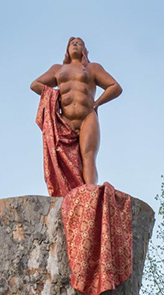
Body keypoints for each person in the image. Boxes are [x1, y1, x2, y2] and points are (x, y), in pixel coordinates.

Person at [31, 37, 122, 191]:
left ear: (84, 51)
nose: (75, 44)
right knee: (60, 159)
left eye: (79, 43)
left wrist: (97, 103)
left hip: (87, 116)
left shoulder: (92, 68)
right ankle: (68, 193)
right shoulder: (57, 69)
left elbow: (115, 87)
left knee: (88, 155)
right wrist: (56, 97)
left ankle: (90, 192)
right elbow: (35, 85)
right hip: (65, 121)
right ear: (67, 50)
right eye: (72, 43)